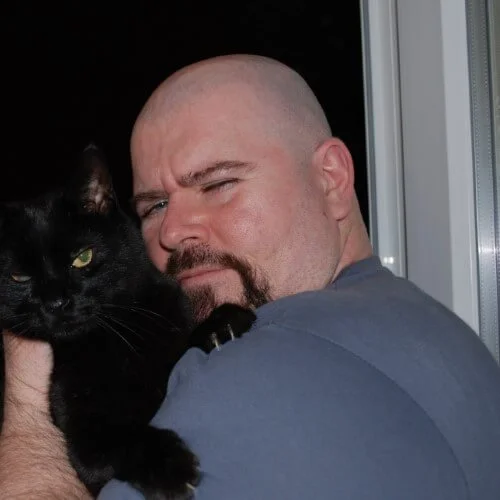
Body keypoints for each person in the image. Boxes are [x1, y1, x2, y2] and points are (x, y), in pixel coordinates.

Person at [2, 54, 500, 500]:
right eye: (154, 206)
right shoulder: (435, 331)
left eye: (218, 183)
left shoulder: (264, 375)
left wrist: (26, 418)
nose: (173, 231)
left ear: (331, 178)